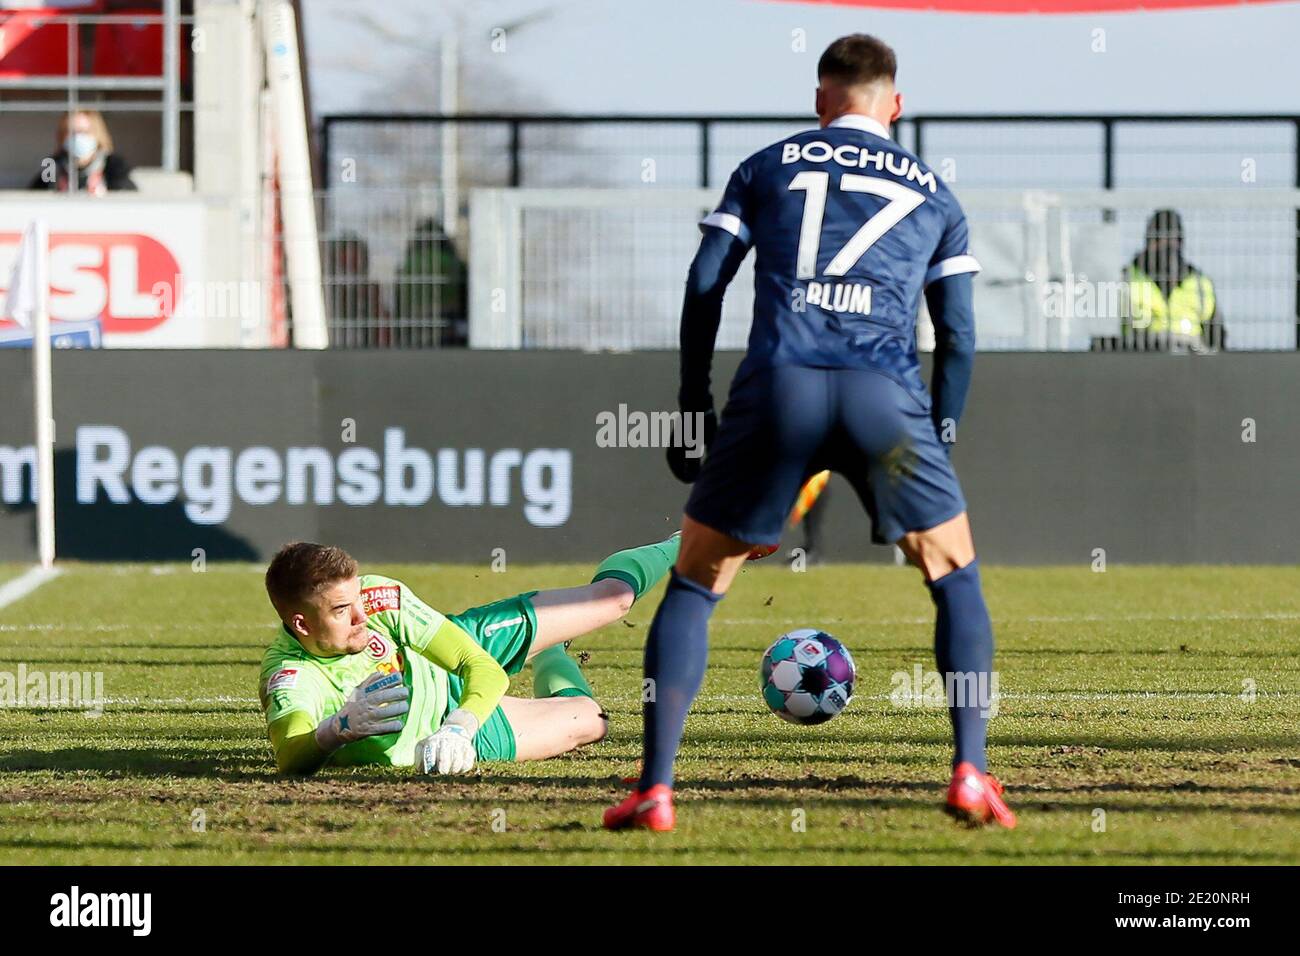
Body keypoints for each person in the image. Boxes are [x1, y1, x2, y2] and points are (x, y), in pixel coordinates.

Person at [604, 34, 1015, 831]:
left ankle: (655, 789)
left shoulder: (768, 165)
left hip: (779, 386)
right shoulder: (936, 194)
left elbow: (703, 281)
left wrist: (694, 400)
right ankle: (970, 773)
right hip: (884, 399)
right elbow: (958, 333)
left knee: (694, 583)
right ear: (895, 105)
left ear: (820, 100)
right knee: (954, 576)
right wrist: (939, 436)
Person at [258, 533, 679, 775]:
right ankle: (553, 653)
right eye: (340, 611)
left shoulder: (375, 598)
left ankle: (692, 539)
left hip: (453, 664)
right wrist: (336, 730)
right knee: (591, 720)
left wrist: (459, 726)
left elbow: (480, 666)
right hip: (442, 735)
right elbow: (290, 756)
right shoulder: (291, 677)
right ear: (301, 625)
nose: (361, 615)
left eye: (357, 600)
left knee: (613, 599)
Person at [1120, 209, 1224, 351]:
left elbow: (1216, 337)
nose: (1166, 245)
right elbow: (1104, 339)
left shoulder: (1200, 284)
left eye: (1172, 239)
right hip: (1140, 363)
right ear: (1149, 242)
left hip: (1190, 365)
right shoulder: (1124, 280)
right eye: (1159, 240)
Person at [28, 110, 136, 195]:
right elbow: (36, 197)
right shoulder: (52, 168)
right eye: (71, 132)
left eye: (84, 132)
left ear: (98, 134)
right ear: (62, 136)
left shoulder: (114, 168)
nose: (77, 137)